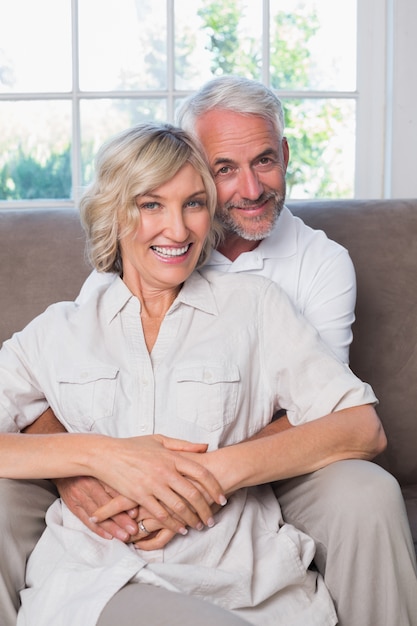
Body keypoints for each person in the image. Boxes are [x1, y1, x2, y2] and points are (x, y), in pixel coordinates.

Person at [1, 77, 416, 625]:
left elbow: (359, 425)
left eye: (193, 204)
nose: (177, 227)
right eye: (151, 205)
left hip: (236, 576)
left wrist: (205, 478)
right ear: (115, 213)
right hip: (98, 577)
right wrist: (97, 454)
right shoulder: (65, 325)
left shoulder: (258, 304)